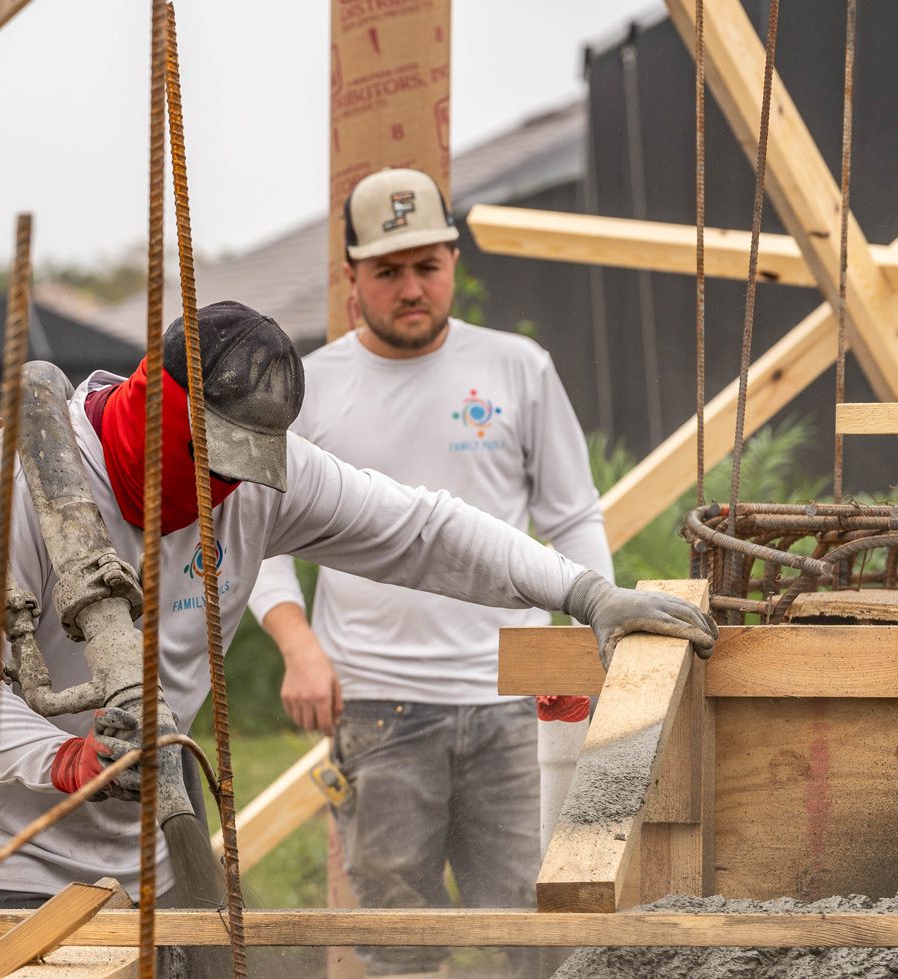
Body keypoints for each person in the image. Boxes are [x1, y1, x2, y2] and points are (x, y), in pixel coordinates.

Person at [0, 300, 716, 965]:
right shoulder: (20, 492)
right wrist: (62, 757)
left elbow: (426, 529)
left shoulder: (256, 483)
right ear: (150, 401)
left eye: (243, 475)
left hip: (147, 820)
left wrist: (583, 591)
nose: (223, 496)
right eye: (207, 466)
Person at [248, 166, 607, 979]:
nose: (411, 287)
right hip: (379, 707)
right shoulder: (313, 387)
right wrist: (298, 642)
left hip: (511, 703)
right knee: (395, 944)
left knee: (533, 932)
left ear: (451, 260)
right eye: (388, 271)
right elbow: (259, 527)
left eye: (426, 266)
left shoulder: (519, 368)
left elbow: (573, 514)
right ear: (353, 278)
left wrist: (592, 639)